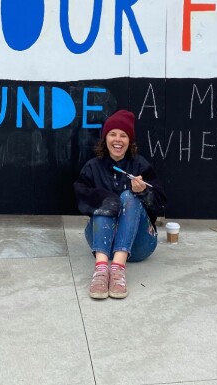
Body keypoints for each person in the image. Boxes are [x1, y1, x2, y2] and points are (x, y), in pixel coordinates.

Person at [74, 109, 167, 299]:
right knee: (104, 200)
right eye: (113, 134)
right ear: (105, 138)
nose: (118, 140)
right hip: (102, 245)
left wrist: (144, 192)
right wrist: (105, 198)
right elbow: (80, 195)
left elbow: (161, 203)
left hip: (139, 245)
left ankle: (117, 269)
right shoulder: (93, 166)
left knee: (129, 196)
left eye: (123, 135)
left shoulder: (140, 165)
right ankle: (101, 270)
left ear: (129, 141)